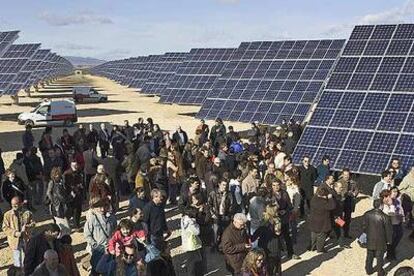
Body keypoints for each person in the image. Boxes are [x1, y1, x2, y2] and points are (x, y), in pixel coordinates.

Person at [84, 199, 117, 276]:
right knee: (96, 269)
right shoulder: (92, 219)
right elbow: (87, 235)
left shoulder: (112, 218)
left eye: (104, 206)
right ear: (95, 208)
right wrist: (96, 246)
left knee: (110, 270)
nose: (102, 209)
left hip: (110, 249)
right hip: (98, 250)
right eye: (99, 207)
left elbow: (115, 231)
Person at [363, 192, 393, 276]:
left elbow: (364, 226)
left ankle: (368, 270)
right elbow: (388, 231)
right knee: (380, 258)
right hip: (381, 240)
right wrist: (389, 241)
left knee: (369, 256)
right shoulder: (385, 217)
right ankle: (380, 272)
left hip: (370, 239)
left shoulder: (367, 214)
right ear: (381, 205)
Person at [2, 196, 35, 270]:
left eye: (17, 205)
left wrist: (27, 227)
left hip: (26, 239)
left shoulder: (27, 213)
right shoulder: (7, 215)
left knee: (26, 258)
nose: (15, 207)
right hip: (14, 241)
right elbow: (5, 228)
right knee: (17, 261)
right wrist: (15, 233)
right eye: (13, 206)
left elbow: (33, 224)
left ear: (21, 204)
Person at [251, 204, 282, 276]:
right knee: (277, 268)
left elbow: (254, 237)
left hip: (266, 249)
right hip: (276, 247)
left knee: (268, 269)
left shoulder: (264, 224)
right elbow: (278, 234)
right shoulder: (278, 221)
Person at [308, 186, 336, 253]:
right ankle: (320, 249)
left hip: (313, 220)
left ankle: (312, 246)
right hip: (322, 222)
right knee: (321, 236)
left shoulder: (314, 199)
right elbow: (332, 206)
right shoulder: (323, 202)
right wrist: (330, 198)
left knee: (314, 234)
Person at [46, 167, 71, 237]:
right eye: (56, 174)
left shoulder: (61, 181)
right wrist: (53, 201)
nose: (57, 176)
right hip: (56, 205)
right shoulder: (52, 182)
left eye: (58, 174)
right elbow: (48, 192)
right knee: (58, 222)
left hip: (62, 203)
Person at [382, 187, 404, 261]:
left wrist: (402, 216)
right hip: (392, 224)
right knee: (391, 240)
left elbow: (400, 209)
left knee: (399, 236)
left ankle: (392, 250)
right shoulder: (388, 201)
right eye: (394, 191)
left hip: (398, 222)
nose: (395, 193)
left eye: (396, 192)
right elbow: (388, 213)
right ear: (390, 192)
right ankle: (390, 253)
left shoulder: (398, 200)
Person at [181, 206, 204, 276]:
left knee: (191, 260)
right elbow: (197, 232)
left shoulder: (184, 219)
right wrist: (196, 223)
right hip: (192, 244)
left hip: (187, 243)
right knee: (194, 262)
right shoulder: (191, 223)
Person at [337, 168, 359, 238]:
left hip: (349, 203)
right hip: (341, 203)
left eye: (347, 175)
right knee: (338, 218)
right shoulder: (339, 182)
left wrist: (354, 194)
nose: (346, 176)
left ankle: (346, 233)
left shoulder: (353, 182)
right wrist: (344, 194)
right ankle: (338, 232)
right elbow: (337, 192)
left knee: (348, 219)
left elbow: (356, 190)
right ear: (342, 175)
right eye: (345, 175)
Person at [63, 161, 84, 231]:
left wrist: (80, 186)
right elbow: (65, 185)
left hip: (78, 195)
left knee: (78, 210)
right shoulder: (67, 174)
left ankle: (77, 225)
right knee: (70, 211)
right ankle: (67, 223)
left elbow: (81, 181)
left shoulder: (79, 172)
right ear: (71, 165)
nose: (75, 167)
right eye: (74, 165)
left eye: (76, 165)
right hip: (71, 195)